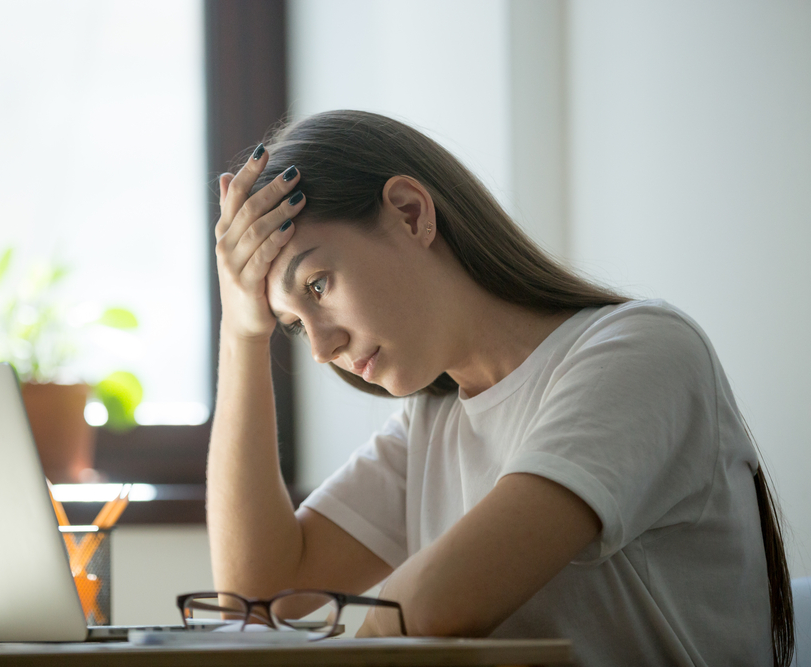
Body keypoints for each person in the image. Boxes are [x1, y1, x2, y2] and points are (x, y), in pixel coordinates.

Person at [206, 110, 793, 667]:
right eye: (292, 325)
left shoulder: (643, 351)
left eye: (317, 285)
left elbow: (437, 604)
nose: (320, 347)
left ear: (410, 213)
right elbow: (257, 596)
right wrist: (241, 331)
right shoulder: (432, 421)